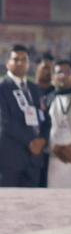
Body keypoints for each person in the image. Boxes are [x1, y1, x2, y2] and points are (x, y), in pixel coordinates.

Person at [0, 45, 49, 187]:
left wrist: (43, 140)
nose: (20, 63)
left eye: (24, 59)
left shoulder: (35, 89)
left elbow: (45, 118)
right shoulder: (2, 88)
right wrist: (30, 142)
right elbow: (5, 121)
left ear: (29, 63)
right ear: (7, 63)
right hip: (10, 159)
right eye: (16, 59)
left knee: (31, 200)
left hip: (34, 159)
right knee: (9, 199)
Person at [44, 59, 71, 189]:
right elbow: (41, 129)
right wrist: (55, 147)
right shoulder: (46, 100)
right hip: (52, 155)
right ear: (53, 77)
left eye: (67, 72)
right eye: (59, 72)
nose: (63, 75)